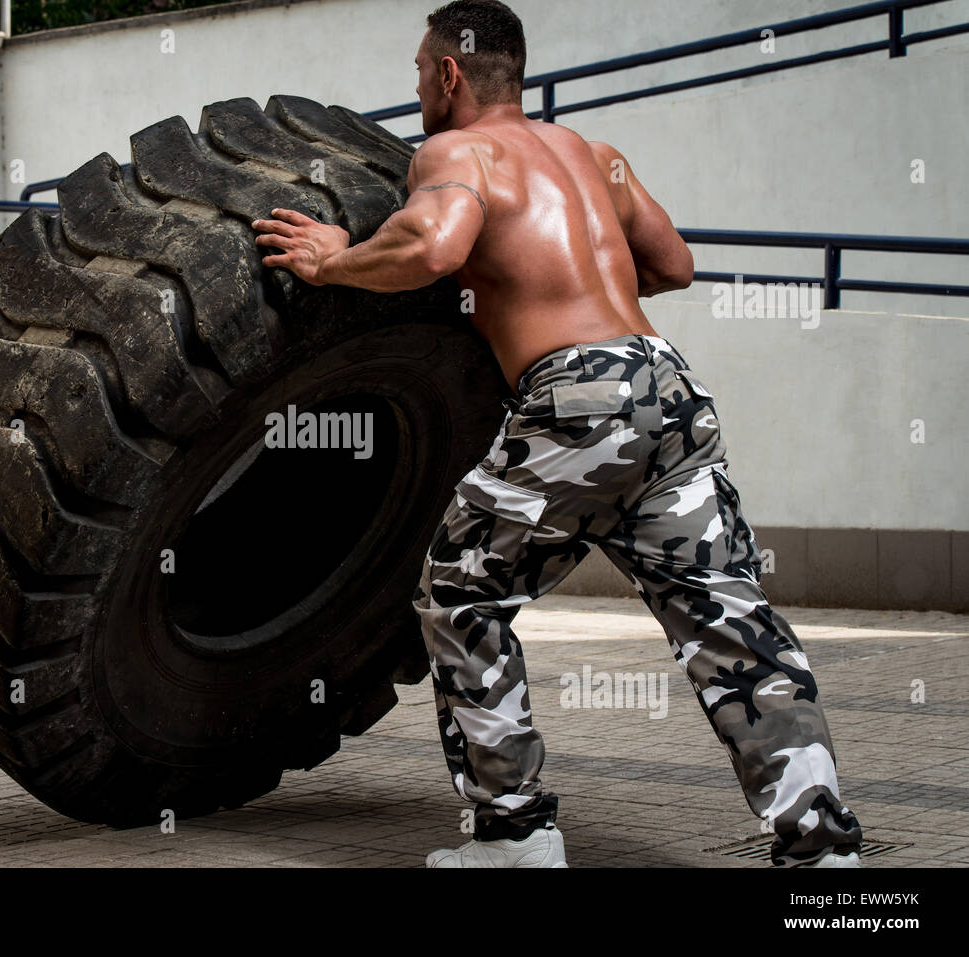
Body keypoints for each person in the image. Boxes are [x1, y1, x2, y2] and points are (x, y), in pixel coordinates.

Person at [251, 0, 863, 868]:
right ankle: (821, 844)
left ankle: (514, 836)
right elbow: (675, 264)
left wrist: (332, 259)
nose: (418, 86)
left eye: (420, 71)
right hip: (667, 383)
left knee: (461, 591)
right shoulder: (591, 155)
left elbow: (432, 243)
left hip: (579, 395)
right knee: (730, 618)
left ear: (451, 73)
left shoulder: (457, 151)